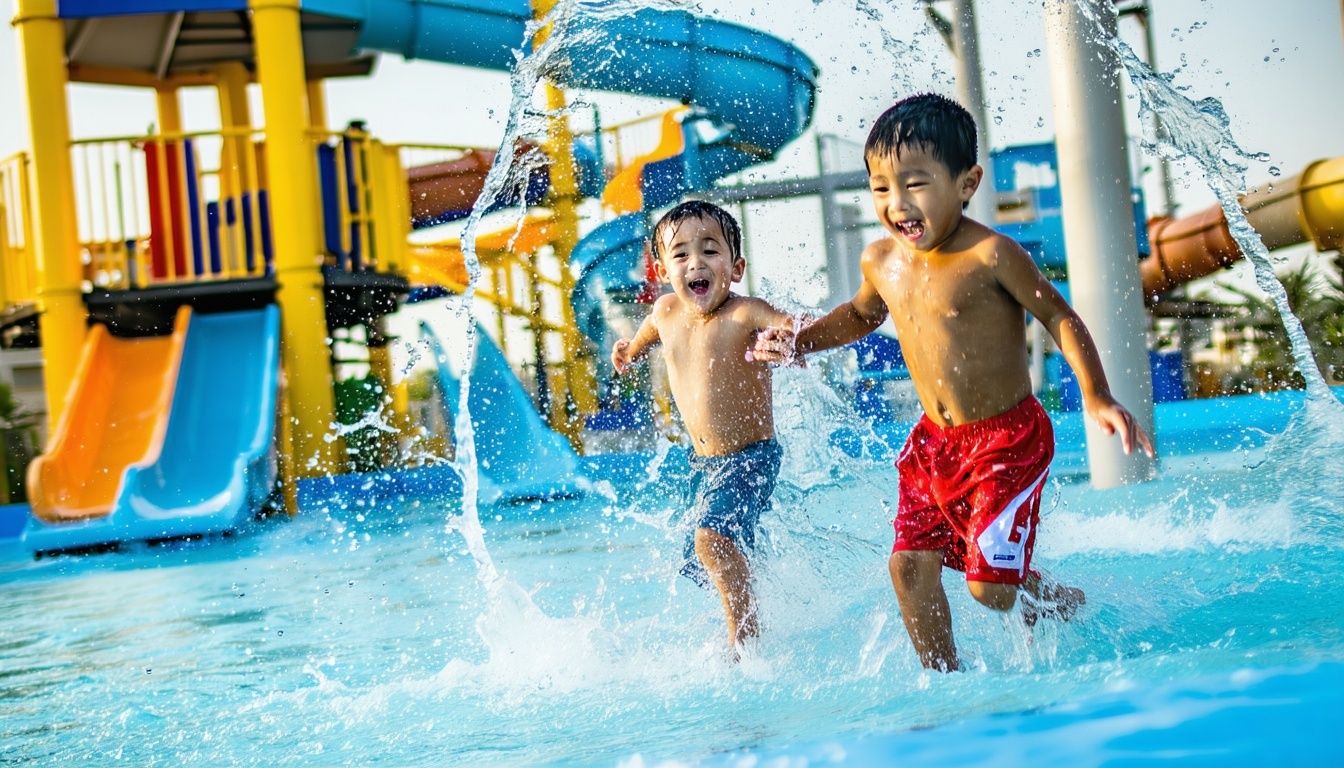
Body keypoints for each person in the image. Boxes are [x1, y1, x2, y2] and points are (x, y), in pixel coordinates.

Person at [754, 93, 1155, 671]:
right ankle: (947, 683)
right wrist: (802, 340)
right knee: (907, 566)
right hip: (935, 445)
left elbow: (1058, 317)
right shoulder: (880, 261)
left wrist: (1095, 393)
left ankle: (1047, 597)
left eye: (915, 184)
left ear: (967, 183)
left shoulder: (992, 255)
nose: (897, 203)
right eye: (881, 187)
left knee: (988, 592)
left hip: (1006, 441)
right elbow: (863, 315)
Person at [611, 200, 794, 653]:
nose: (696, 262)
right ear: (661, 269)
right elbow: (651, 331)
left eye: (711, 251)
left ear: (736, 267)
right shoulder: (666, 311)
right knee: (707, 552)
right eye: (681, 254)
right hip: (704, 463)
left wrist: (785, 335)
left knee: (711, 540)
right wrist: (630, 351)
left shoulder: (745, 313)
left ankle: (743, 641)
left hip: (750, 457)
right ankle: (748, 615)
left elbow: (786, 322)